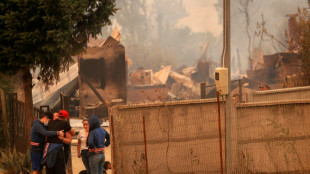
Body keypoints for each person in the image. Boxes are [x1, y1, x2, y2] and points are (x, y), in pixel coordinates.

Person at [42, 110, 74, 174]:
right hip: (58, 150)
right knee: (60, 170)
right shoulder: (64, 123)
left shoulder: (50, 122)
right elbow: (73, 133)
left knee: (50, 169)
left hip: (48, 149)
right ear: (65, 118)